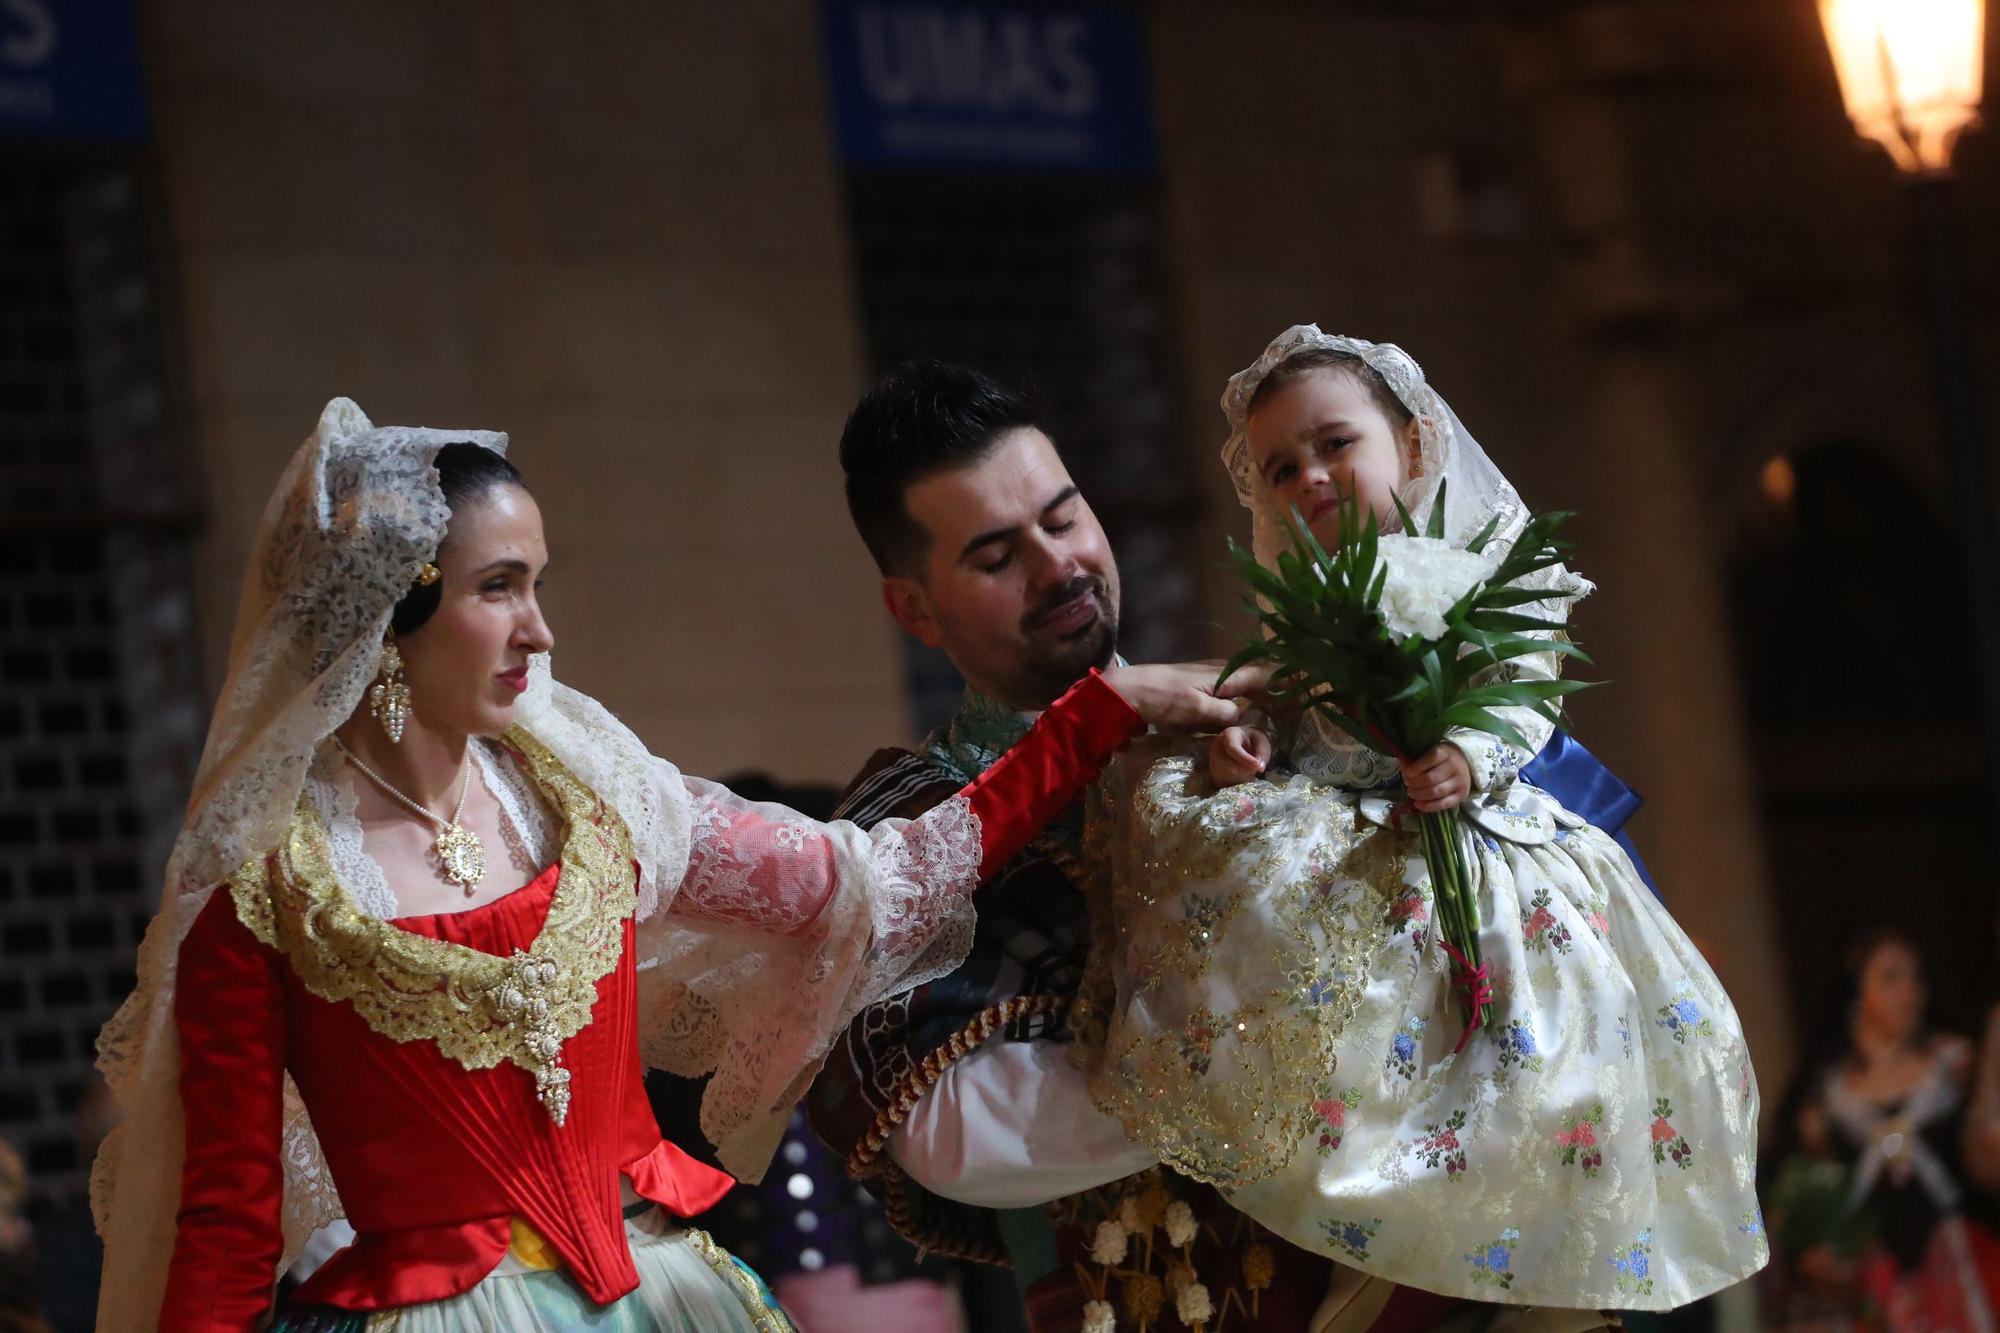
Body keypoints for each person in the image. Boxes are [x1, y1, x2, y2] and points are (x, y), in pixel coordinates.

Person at [88, 399, 1257, 1331]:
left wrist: (1093, 716)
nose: (540, 630)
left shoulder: (594, 796)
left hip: (658, 1298)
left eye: (536, 584)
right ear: (391, 614)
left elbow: (869, 878)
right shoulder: (271, 893)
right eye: (500, 588)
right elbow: (229, 1232)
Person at [1074, 327, 1767, 1317]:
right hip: (1353, 861)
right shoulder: (1304, 611)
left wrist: (1468, 753)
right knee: (1364, 1101)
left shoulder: (1487, 571)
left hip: (1487, 859)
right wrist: (1250, 750)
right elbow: (1290, 717)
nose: (1309, 476)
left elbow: (1524, 690)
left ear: (1409, 442)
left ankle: (1543, 1264)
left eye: (1333, 444)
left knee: (1546, 1070)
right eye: (1282, 467)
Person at [808, 361, 1351, 1331]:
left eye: (1061, 519)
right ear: (914, 610)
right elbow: (949, 1131)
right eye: (994, 556)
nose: (1055, 565)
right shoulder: (909, 828)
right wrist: (1274, 1056)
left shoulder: (1261, 707)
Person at [1764, 929, 2000, 1331]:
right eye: (1890, 978)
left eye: (1915, 978)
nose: (1908, 990)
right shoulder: (1829, 1095)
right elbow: (1796, 1189)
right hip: (1878, 1281)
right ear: (1857, 991)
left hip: (1959, 1262)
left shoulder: (1954, 1066)